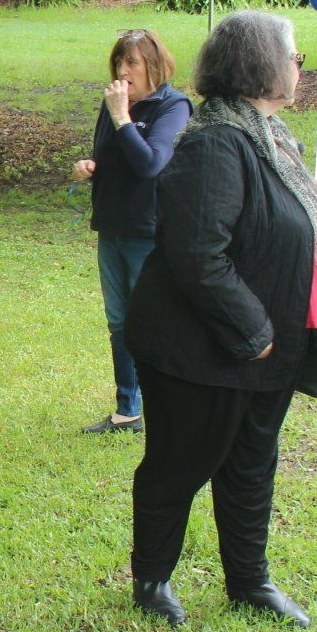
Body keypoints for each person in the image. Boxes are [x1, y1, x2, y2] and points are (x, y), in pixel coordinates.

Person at [124, 11, 317, 629]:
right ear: (262, 64)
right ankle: (152, 581)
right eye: (294, 57)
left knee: (252, 462)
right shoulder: (215, 143)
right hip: (205, 350)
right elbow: (198, 254)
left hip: (266, 348)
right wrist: (254, 333)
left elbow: (295, 194)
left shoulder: (265, 133)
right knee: (178, 466)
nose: (298, 68)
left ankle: (248, 581)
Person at [71, 29, 192, 433]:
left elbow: (150, 165)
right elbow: (112, 156)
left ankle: (171, 404)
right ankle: (128, 408)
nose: (124, 71)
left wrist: (123, 117)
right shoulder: (113, 104)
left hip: (149, 231)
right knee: (120, 322)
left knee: (152, 322)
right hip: (112, 226)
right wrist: (90, 167)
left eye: (132, 63)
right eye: (119, 62)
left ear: (154, 65)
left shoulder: (173, 107)